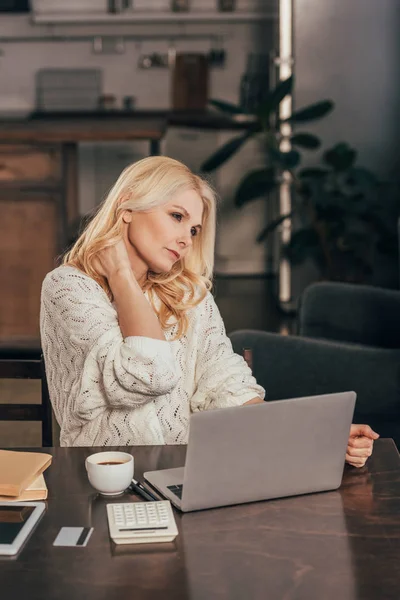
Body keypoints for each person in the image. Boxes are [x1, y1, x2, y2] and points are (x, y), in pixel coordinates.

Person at [40, 156, 378, 466]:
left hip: (187, 476)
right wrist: (121, 275)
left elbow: (226, 386)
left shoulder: (188, 293)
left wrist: (318, 435)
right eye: (176, 216)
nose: (187, 239)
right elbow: (150, 374)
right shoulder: (69, 287)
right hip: (101, 480)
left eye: (194, 230)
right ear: (127, 204)